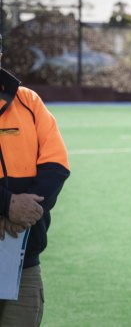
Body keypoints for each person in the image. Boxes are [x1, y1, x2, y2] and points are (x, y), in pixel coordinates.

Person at [0, 34, 71, 327]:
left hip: (20, 258)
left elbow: (57, 165)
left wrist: (24, 213)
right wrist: (7, 205)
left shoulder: (28, 101)